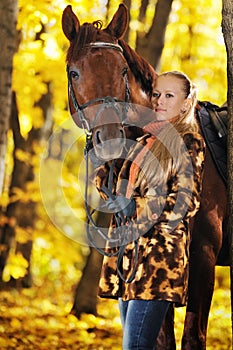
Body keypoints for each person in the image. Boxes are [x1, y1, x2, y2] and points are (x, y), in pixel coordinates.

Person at [95, 71, 205, 349]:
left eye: (169, 95)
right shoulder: (144, 141)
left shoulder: (188, 142)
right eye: (156, 94)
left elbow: (186, 203)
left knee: (135, 346)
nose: (159, 101)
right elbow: (110, 183)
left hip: (157, 263)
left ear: (185, 102)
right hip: (128, 259)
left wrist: (135, 206)